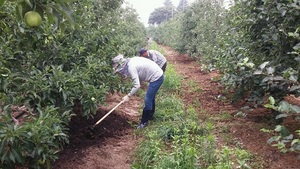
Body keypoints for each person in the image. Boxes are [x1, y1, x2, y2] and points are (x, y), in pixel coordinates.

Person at [112, 54, 164, 129]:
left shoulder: (131, 67)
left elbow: (137, 85)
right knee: (151, 97)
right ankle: (150, 116)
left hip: (157, 77)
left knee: (148, 99)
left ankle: (144, 122)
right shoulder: (131, 61)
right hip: (157, 73)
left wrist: (128, 96)